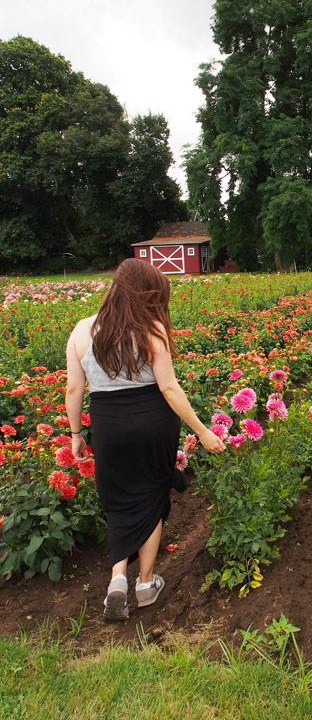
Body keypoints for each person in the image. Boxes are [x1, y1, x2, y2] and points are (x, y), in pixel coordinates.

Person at [65, 258, 224, 622]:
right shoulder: (151, 330)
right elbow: (168, 387)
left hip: (107, 425)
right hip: (152, 424)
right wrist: (201, 429)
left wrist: (76, 434)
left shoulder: (81, 331)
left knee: (119, 501)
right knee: (151, 498)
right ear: (147, 293)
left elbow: (75, 388)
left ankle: (118, 577)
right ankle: (146, 584)